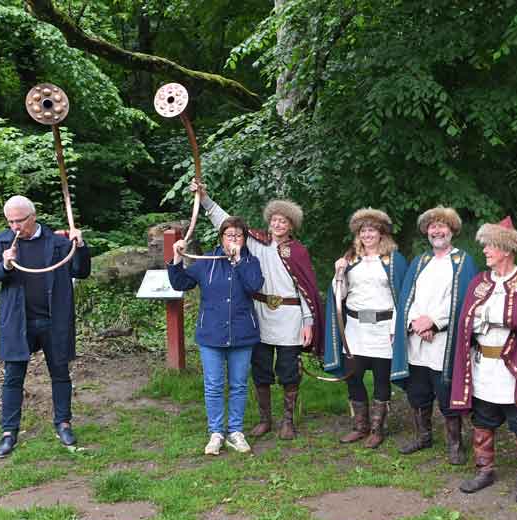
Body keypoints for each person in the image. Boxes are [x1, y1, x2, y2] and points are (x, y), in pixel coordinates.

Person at [191, 181, 323, 440]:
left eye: (283, 221)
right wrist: (204, 198)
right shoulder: (255, 242)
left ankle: (287, 421)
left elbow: (305, 289)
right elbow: (226, 223)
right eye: (274, 220)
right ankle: (265, 420)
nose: (278, 224)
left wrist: (308, 321)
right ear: (269, 222)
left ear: (291, 226)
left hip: (289, 317)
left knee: (288, 370)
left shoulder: (298, 252)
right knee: (261, 369)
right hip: (260, 314)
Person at [450, 217, 517, 503]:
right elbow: (467, 320)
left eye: (490, 246)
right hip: (483, 363)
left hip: (513, 365)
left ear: (506, 249)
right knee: (483, 418)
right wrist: (485, 320)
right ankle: (485, 471)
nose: (485, 250)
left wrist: (489, 318)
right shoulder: (478, 282)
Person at [0, 195, 91, 458]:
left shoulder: (58, 243)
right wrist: (5, 264)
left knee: (60, 373)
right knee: (13, 378)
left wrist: (80, 246)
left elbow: (81, 271)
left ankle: (63, 424)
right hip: (18, 322)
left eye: (20, 221)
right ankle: (9, 432)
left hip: (54, 320)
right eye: (10, 222)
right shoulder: (3, 242)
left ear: (33, 217)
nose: (15, 227)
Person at [168, 217, 264, 455]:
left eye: (238, 235)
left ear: (244, 239)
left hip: (242, 333)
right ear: (221, 237)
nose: (234, 239)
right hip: (211, 334)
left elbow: (254, 285)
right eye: (229, 235)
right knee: (213, 385)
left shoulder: (251, 262)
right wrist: (177, 257)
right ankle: (216, 433)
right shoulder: (207, 262)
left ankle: (236, 432)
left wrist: (238, 260)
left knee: (239, 385)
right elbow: (180, 283)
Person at [391, 206, 478, 465]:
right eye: (432, 226)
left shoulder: (463, 261)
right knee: (417, 391)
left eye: (442, 226)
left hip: (443, 341)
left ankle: (455, 444)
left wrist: (434, 323)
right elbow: (407, 296)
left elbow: (462, 300)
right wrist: (415, 323)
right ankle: (423, 436)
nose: (437, 231)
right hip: (417, 339)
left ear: (452, 230)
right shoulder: (420, 261)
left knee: (446, 391)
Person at [323, 208, 408, 448]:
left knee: (381, 379)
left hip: (383, 328)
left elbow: (402, 297)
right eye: (363, 231)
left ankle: (377, 429)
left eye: (372, 230)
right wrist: (338, 273)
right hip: (355, 329)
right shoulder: (350, 260)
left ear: (381, 233)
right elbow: (339, 295)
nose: (367, 234)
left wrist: (395, 328)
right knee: (353, 376)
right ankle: (360, 426)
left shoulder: (394, 261)